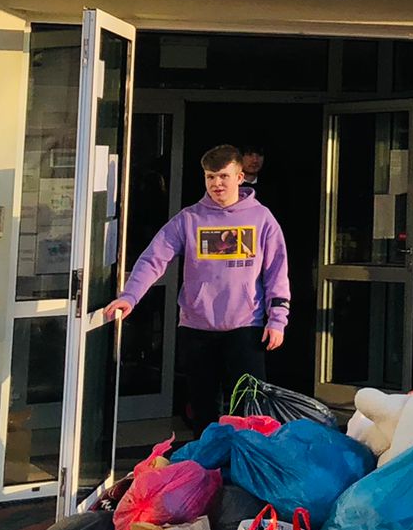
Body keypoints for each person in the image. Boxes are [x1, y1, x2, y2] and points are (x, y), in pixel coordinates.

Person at [103, 144, 290, 435]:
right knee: (203, 410)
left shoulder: (262, 218)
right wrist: (130, 296)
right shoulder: (189, 219)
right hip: (197, 328)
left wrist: (277, 320)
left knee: (249, 411)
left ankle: (244, 461)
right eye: (210, 177)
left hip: (245, 327)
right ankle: (207, 461)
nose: (217, 183)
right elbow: (154, 258)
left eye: (223, 176)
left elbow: (277, 271)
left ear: (240, 177)